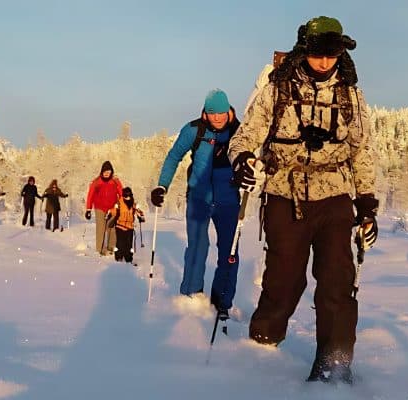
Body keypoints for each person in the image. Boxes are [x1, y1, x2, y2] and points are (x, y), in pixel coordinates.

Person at [228, 16, 377, 384]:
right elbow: (245, 136)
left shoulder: (351, 95)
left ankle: (335, 363)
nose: (325, 62)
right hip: (285, 194)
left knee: (337, 283)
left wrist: (367, 204)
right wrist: (242, 161)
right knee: (283, 277)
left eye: (332, 54)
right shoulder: (277, 89)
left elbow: (362, 151)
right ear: (304, 51)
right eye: (318, 54)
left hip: (335, 197)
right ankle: (264, 339)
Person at [150, 89, 242, 320]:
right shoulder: (194, 130)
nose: (217, 118)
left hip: (228, 199)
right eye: (212, 113)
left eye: (221, 112)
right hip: (199, 197)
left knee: (229, 252)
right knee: (197, 247)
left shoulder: (240, 131)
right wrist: (162, 186)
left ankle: (222, 301)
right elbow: (174, 156)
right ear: (205, 113)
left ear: (228, 110)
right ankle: (191, 294)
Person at [85, 161, 123, 255]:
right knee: (101, 228)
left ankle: (111, 247)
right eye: (105, 172)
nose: (106, 174)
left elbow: (122, 194)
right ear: (102, 172)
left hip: (112, 208)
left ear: (111, 172)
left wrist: (122, 206)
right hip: (100, 208)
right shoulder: (96, 182)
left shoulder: (115, 181)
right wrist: (88, 209)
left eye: (108, 172)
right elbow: (90, 195)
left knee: (112, 227)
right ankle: (100, 249)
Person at [106, 187, 145, 263]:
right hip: (120, 226)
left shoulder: (133, 204)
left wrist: (141, 216)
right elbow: (113, 211)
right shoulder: (119, 203)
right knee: (120, 243)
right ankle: (118, 257)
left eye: (129, 196)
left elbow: (139, 212)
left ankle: (128, 258)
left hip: (130, 227)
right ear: (123, 195)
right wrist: (109, 214)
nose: (127, 197)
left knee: (129, 244)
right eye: (126, 196)